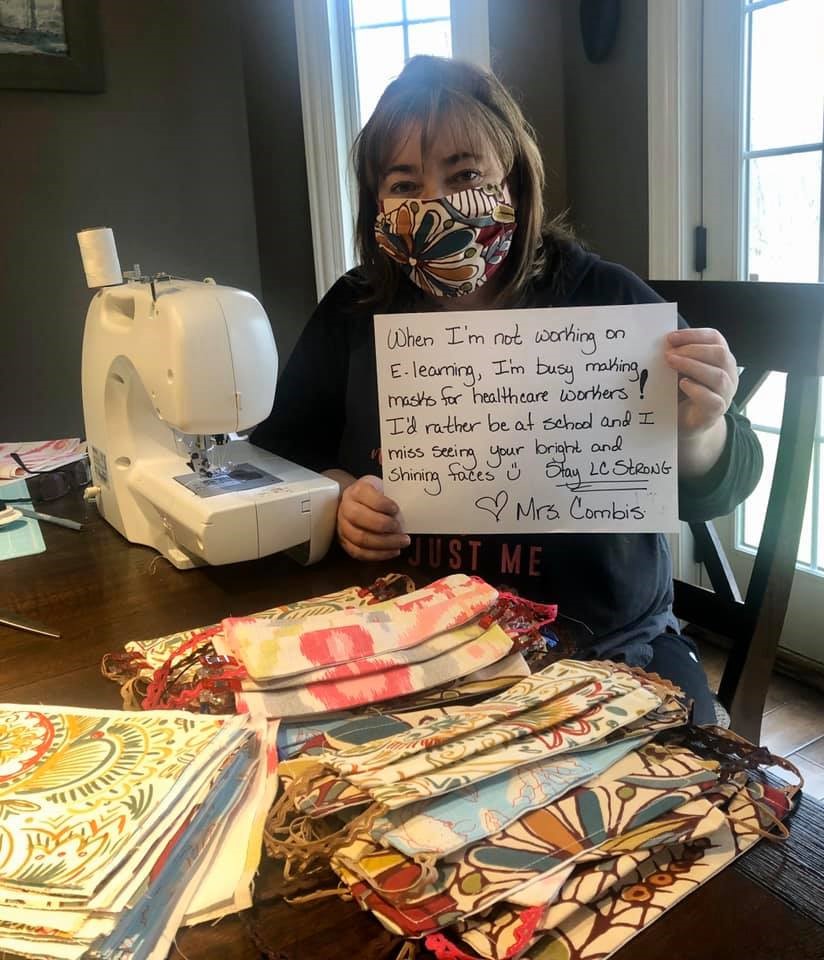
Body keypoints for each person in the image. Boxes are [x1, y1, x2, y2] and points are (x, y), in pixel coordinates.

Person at [253, 55, 762, 724]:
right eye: (403, 184)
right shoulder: (355, 309)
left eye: (465, 175)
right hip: (410, 645)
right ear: (375, 202)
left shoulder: (603, 299)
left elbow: (727, 479)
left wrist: (700, 427)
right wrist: (339, 496)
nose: (433, 205)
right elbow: (278, 456)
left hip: (604, 649)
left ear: (514, 186)